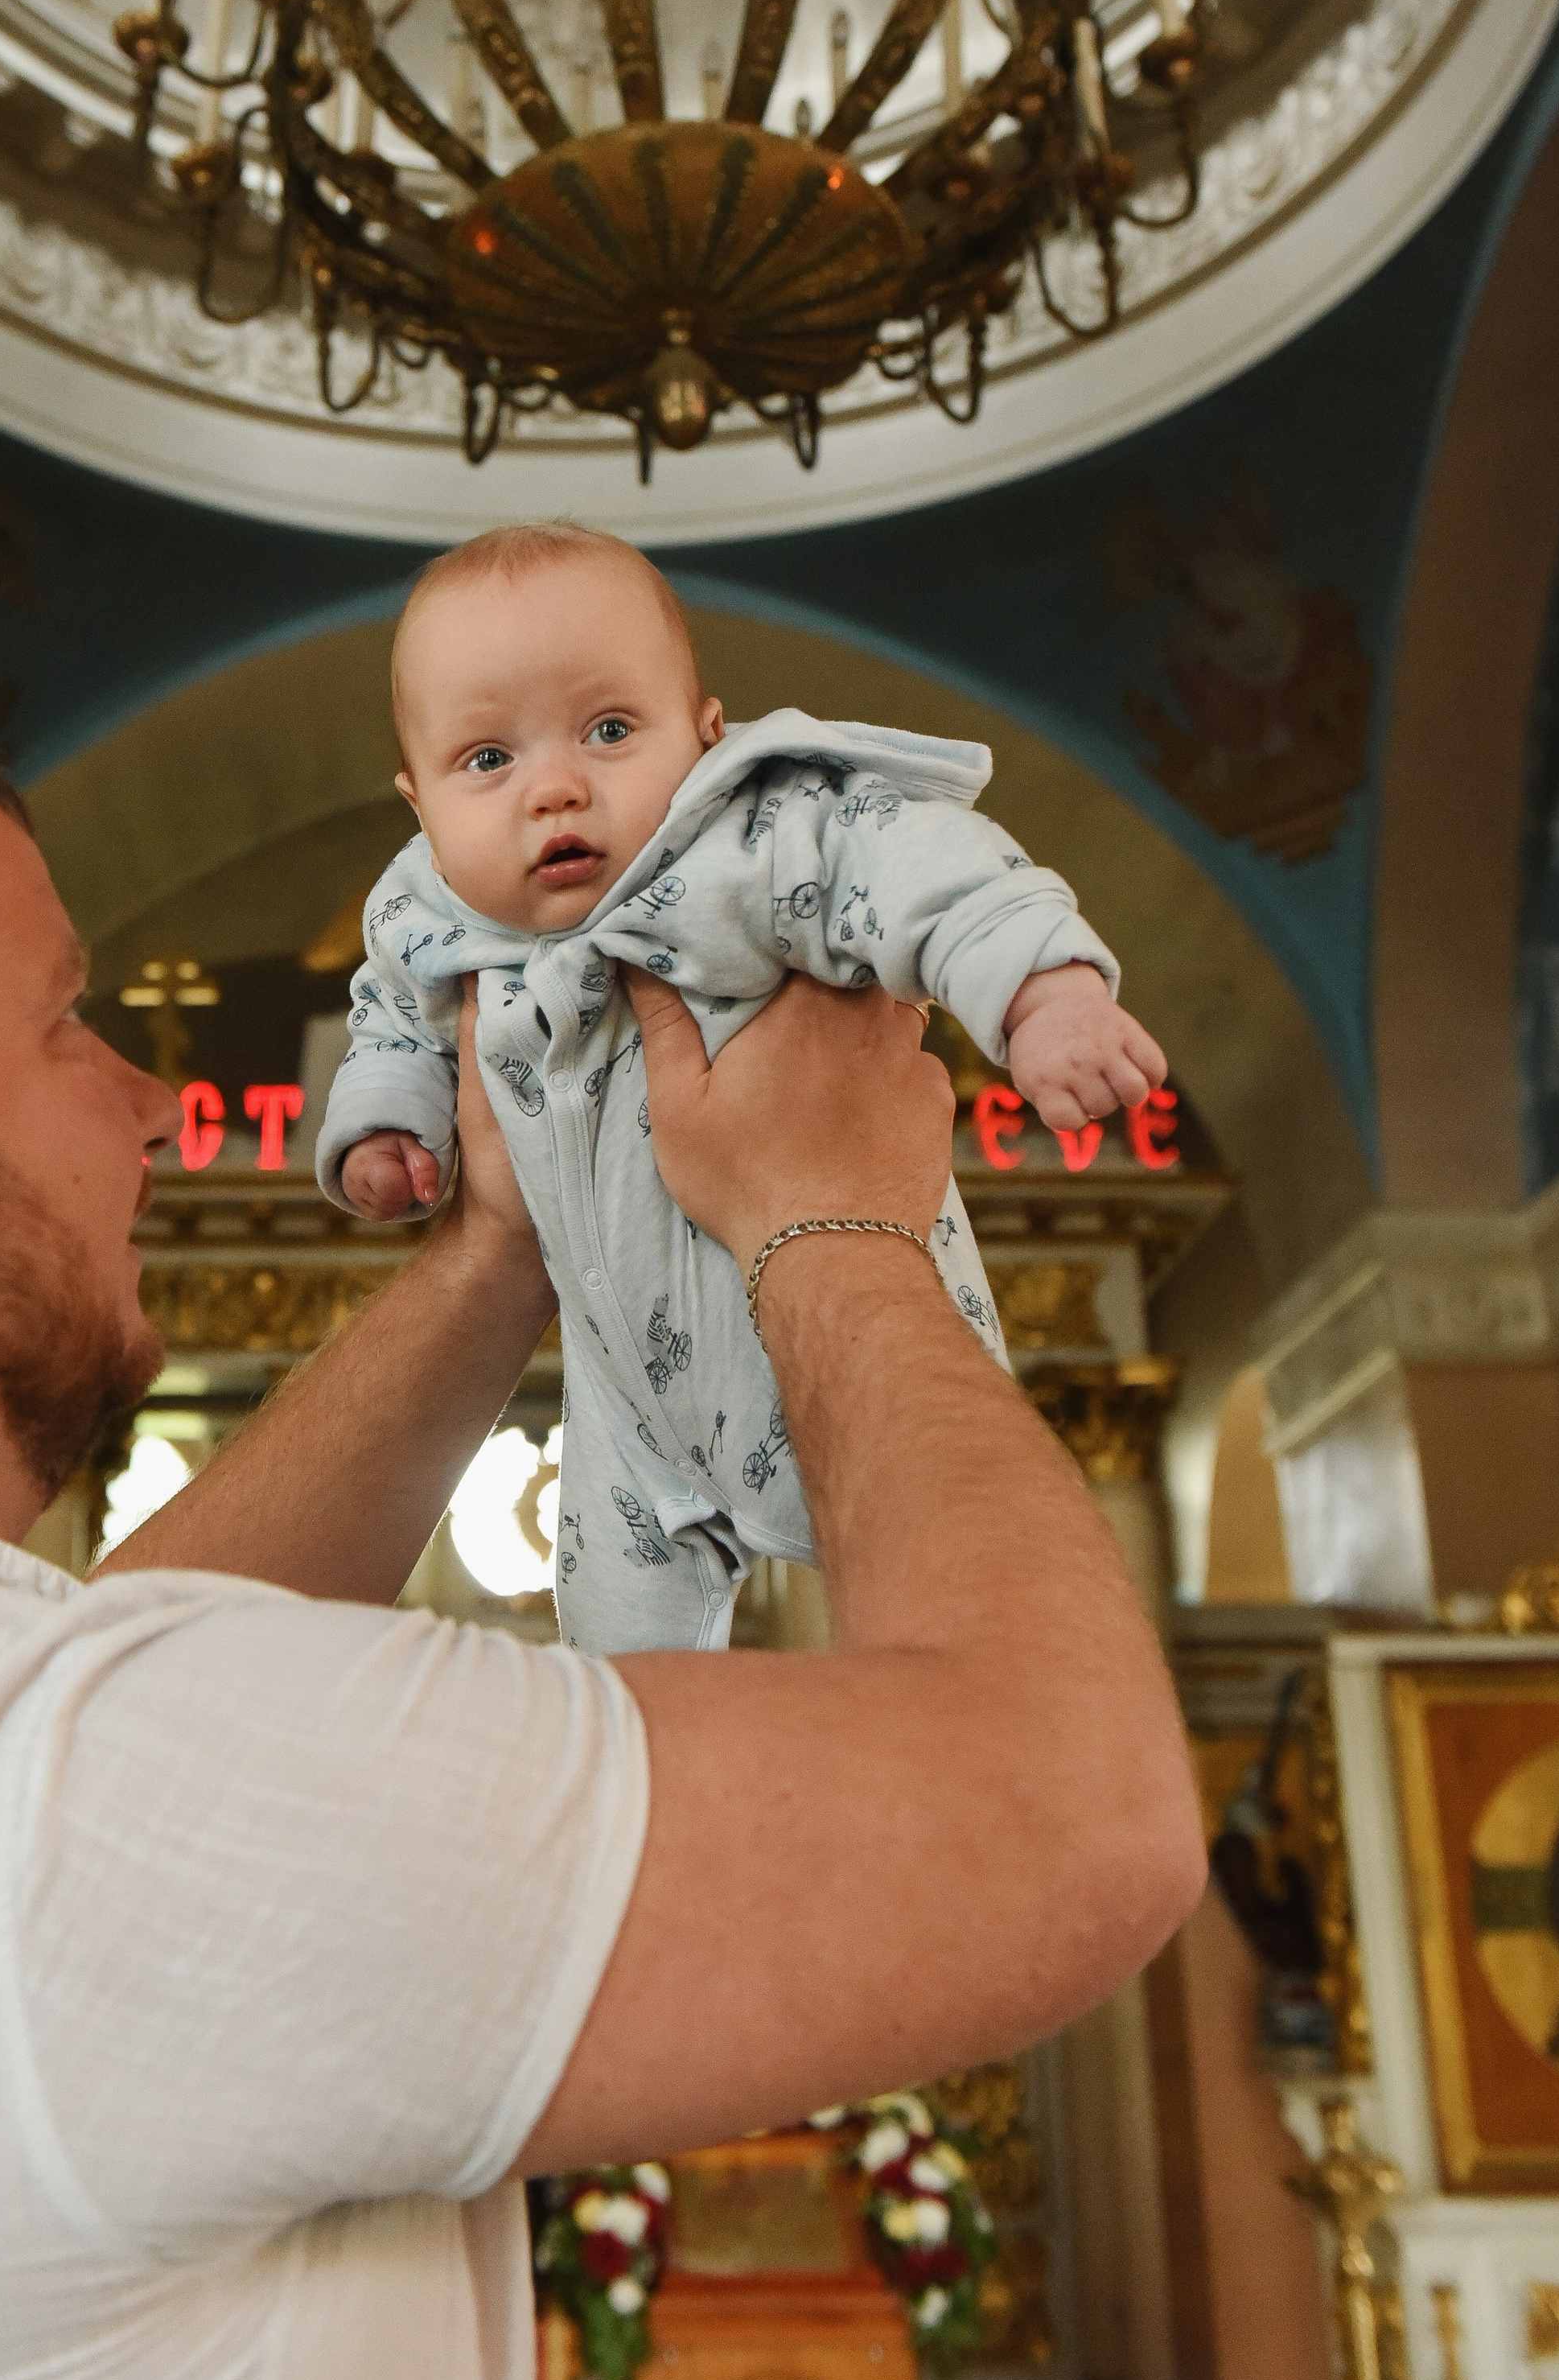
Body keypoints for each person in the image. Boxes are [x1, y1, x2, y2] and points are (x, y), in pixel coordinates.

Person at [0, 699, 1203, 2380]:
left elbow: (66, 1721)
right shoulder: (74, 1810)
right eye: (65, 1024)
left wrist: (497, 1255)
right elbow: (1073, 1811)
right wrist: (829, 1209)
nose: (149, 1104)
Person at [323, 521, 1168, 1652]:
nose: (556, 790)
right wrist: (388, 1120)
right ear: (419, 802)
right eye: (488, 761)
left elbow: (920, 870)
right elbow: (388, 1016)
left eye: (611, 730)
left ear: (707, 735)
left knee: (957, 1611)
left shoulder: (752, 838)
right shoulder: (426, 911)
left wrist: (1044, 996)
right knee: (625, 1686)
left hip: (834, 1323)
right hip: (622, 1409)